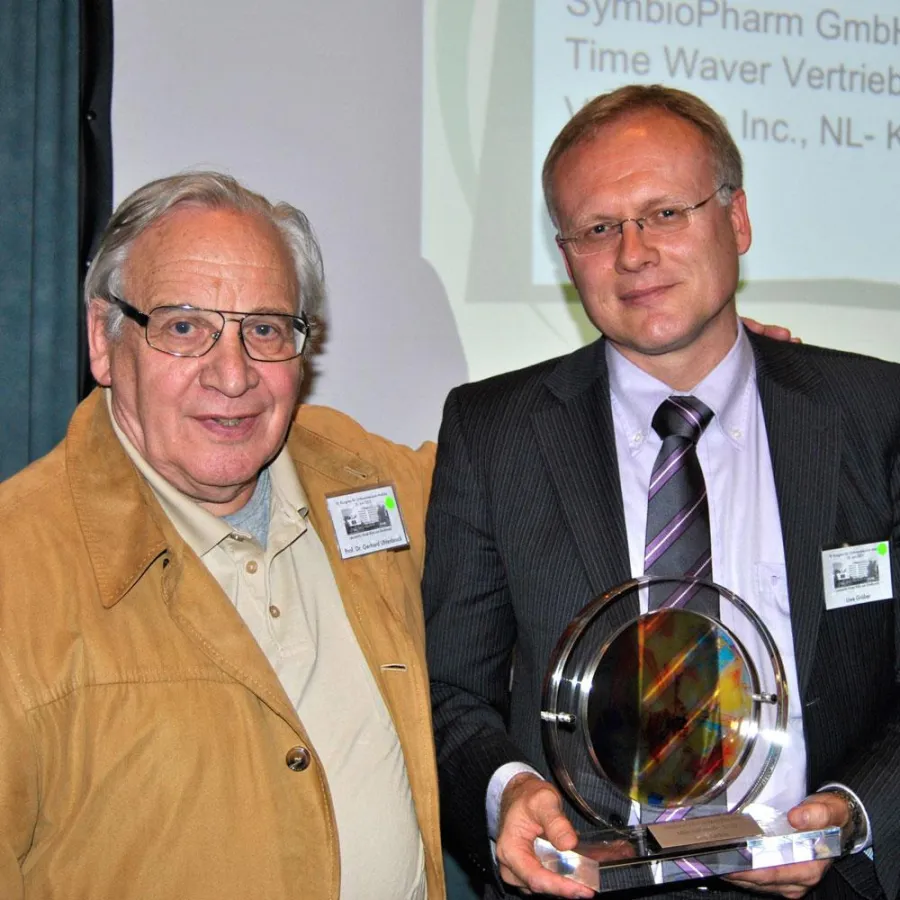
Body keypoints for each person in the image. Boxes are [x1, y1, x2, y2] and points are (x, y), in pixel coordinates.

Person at [423, 84, 900, 900]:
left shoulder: (874, 412)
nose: (633, 254)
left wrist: (852, 813)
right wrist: (508, 792)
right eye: (598, 228)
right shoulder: (492, 430)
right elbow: (448, 691)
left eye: (666, 214)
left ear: (737, 221)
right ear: (567, 256)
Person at [0, 172, 444, 900]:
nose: (233, 374)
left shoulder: (365, 478)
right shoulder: (16, 573)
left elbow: (521, 463)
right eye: (183, 327)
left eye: (264, 328)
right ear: (104, 343)